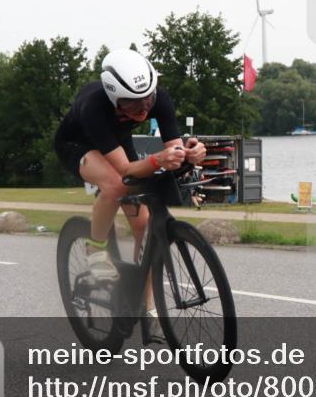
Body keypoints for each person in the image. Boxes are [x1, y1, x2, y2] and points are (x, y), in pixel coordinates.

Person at [53, 49, 206, 330]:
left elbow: (173, 148)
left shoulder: (159, 98)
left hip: (118, 143)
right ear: (114, 99)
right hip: (78, 144)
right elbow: (124, 171)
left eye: (147, 100)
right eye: (134, 105)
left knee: (145, 225)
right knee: (114, 185)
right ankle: (96, 252)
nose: (144, 110)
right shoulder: (94, 107)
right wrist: (157, 159)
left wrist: (189, 154)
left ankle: (146, 308)